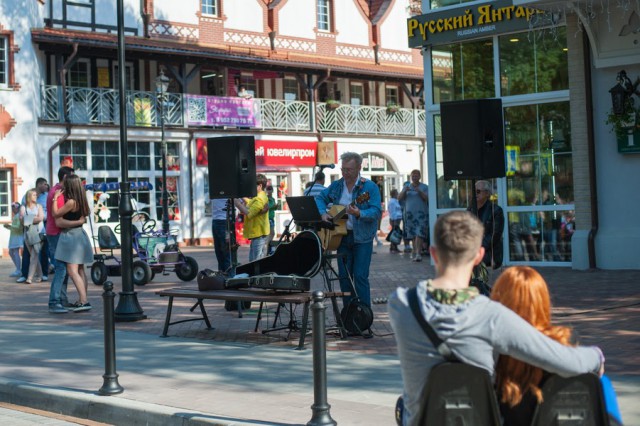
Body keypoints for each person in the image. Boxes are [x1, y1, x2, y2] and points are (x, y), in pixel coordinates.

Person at [388, 211, 604, 426]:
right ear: (479, 256)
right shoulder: (491, 315)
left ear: (434, 253)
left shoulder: (400, 304)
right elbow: (566, 361)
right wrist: (596, 355)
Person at [491, 266, 622, 426]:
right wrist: (597, 355)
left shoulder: (490, 348)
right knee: (603, 383)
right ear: (543, 301)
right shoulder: (566, 341)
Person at [316, 152, 381, 308]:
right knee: (344, 278)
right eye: (343, 169)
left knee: (360, 277)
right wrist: (323, 213)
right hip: (341, 237)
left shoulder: (369, 187)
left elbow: (376, 211)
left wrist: (359, 213)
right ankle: (349, 316)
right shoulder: (337, 185)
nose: (345, 173)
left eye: (349, 170)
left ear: (359, 168)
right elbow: (320, 198)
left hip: (362, 238)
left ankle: (364, 316)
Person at [52, 175, 94, 312]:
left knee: (72, 270)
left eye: (66, 184)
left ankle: (84, 301)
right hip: (79, 234)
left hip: (71, 237)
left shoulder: (71, 202)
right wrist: (78, 222)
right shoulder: (82, 200)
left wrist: (55, 198)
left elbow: (55, 214)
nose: (63, 187)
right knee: (81, 270)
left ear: (70, 186)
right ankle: (83, 299)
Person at [47, 166, 81, 314]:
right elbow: (58, 220)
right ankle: (54, 302)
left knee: (64, 269)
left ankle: (62, 300)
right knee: (61, 268)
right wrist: (78, 222)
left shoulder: (56, 190)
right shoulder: (58, 194)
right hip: (56, 233)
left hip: (55, 233)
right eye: (72, 177)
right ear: (66, 178)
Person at [17, 178, 50, 283]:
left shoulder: (47, 197)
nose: (46, 186)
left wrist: (30, 219)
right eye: (44, 184)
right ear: (39, 184)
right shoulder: (26, 199)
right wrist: (34, 219)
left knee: (43, 251)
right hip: (28, 230)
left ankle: (38, 275)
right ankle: (26, 274)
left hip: (42, 228)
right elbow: (22, 218)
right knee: (28, 253)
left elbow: (43, 216)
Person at [469, 180, 504, 269]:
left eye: (478, 191)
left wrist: (477, 248)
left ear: (487, 193)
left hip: (489, 255)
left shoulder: (496, 210)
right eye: (474, 191)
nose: (475, 193)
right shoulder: (470, 209)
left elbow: (494, 235)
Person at [234, 174, 269, 261]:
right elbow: (251, 202)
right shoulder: (258, 197)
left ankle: (257, 275)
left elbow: (249, 213)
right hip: (257, 233)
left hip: (258, 233)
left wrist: (237, 203)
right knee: (253, 260)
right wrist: (242, 198)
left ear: (260, 186)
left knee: (255, 261)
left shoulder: (260, 198)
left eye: (253, 185)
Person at [398, 169, 428, 262]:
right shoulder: (407, 186)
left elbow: (427, 199)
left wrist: (419, 191)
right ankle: (416, 252)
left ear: (419, 177)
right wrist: (404, 191)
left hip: (421, 214)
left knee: (419, 233)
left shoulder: (424, 187)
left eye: (416, 175)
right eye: (413, 176)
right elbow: (399, 198)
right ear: (411, 177)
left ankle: (418, 253)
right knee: (413, 235)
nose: (414, 177)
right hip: (410, 215)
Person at [19, 189, 45, 284]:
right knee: (34, 255)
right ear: (29, 196)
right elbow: (22, 220)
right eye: (34, 195)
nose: (36, 196)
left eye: (36, 195)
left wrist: (28, 218)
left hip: (39, 233)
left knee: (34, 255)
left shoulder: (39, 206)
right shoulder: (23, 207)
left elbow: (41, 218)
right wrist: (35, 217)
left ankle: (29, 278)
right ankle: (41, 275)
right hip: (28, 234)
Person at [211, 198, 231, 273]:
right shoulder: (215, 189)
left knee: (225, 252)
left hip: (223, 220)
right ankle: (222, 275)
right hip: (217, 220)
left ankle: (228, 276)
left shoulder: (227, 189)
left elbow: (237, 201)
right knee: (220, 252)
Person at [4, 202, 24, 277]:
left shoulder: (19, 215)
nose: (12, 209)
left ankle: (18, 270)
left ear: (17, 208)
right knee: (11, 252)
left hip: (17, 237)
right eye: (12, 208)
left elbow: (19, 227)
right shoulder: (16, 215)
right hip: (14, 237)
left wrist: (9, 226)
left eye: (14, 208)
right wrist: (9, 227)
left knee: (15, 252)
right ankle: (19, 269)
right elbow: (15, 228)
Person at [387, 189, 402, 253]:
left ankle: (394, 247)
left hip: (398, 218)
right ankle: (393, 247)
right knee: (394, 233)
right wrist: (392, 220)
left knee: (396, 232)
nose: (397, 194)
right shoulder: (392, 202)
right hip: (395, 219)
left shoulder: (396, 201)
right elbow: (392, 211)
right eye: (396, 193)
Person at [264, 186, 277, 255]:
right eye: (268, 190)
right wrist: (273, 207)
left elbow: (273, 209)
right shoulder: (266, 198)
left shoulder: (273, 199)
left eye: (270, 190)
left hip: (272, 217)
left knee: (271, 234)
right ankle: (267, 248)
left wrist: (276, 207)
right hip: (267, 218)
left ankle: (268, 248)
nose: (269, 191)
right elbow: (266, 208)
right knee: (270, 233)